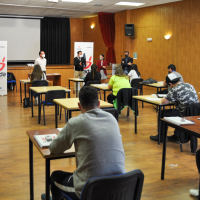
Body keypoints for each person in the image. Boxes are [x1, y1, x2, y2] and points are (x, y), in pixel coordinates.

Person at [41, 86, 126, 200]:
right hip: (119, 188)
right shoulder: (112, 119)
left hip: (90, 190)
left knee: (55, 177)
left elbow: (54, 148)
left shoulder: (76, 122)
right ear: (99, 103)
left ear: (79, 106)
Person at [150, 73, 199, 144]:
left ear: (170, 84)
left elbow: (164, 102)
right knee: (176, 110)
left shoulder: (175, 89)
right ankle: (177, 136)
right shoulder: (190, 85)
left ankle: (160, 137)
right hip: (195, 114)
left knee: (162, 113)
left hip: (184, 114)